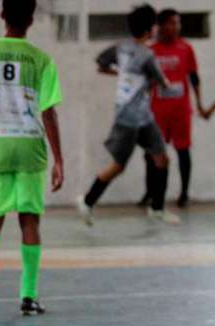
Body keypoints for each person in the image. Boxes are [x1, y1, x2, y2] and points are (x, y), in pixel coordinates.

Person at [0, 0, 64, 318]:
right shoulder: (41, 59)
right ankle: (29, 296)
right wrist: (59, 159)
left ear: (3, 15)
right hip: (28, 145)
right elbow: (48, 110)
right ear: (32, 19)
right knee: (29, 221)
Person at [77, 4, 180, 226]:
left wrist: (121, 73)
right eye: (154, 25)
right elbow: (164, 85)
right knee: (118, 166)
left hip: (144, 117)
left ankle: (157, 208)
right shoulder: (148, 55)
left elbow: (101, 63)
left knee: (161, 158)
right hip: (129, 119)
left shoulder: (121, 47)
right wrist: (174, 86)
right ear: (149, 29)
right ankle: (87, 201)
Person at [138, 8, 205, 209]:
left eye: (178, 23)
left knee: (183, 150)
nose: (177, 27)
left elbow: (194, 77)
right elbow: (143, 81)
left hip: (180, 111)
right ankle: (150, 193)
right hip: (157, 111)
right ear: (162, 25)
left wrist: (200, 103)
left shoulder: (186, 48)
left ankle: (184, 193)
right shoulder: (150, 50)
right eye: (172, 23)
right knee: (152, 154)